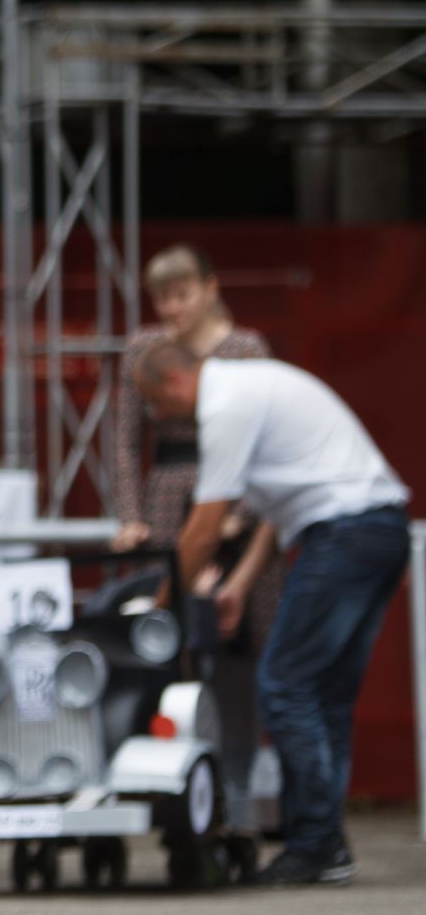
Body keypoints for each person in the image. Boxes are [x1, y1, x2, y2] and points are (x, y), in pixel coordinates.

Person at [133, 342, 409, 887]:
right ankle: (324, 844)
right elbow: (271, 515)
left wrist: (158, 608)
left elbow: (204, 528)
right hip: (375, 528)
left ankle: (315, 844)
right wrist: (236, 584)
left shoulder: (225, 407)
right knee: (322, 695)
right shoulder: (250, 387)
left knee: (285, 685)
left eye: (153, 405)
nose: (159, 419)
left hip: (345, 533)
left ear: (171, 383)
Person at [113, 245, 279, 822]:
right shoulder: (145, 348)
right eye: (162, 297)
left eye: (181, 294)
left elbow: (265, 438)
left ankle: (251, 788)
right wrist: (132, 514)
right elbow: (125, 436)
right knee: (168, 634)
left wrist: (247, 514)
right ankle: (172, 783)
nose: (172, 308)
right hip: (169, 494)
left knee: (245, 638)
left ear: (210, 287)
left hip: (237, 498)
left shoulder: (246, 347)